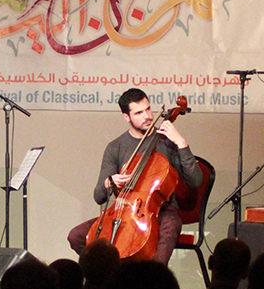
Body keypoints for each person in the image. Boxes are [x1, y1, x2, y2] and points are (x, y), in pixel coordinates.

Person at [67, 88, 202, 263]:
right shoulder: (115, 147)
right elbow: (99, 196)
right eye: (138, 112)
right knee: (76, 236)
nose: (147, 116)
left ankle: (153, 280)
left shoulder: (167, 142)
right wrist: (110, 182)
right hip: (121, 211)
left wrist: (181, 143)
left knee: (169, 229)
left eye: (148, 109)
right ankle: (107, 277)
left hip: (160, 210)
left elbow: (196, 180)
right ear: (126, 117)